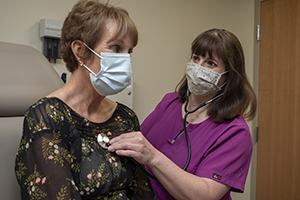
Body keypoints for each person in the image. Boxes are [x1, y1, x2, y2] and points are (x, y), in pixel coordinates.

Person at [14, 0, 157, 199]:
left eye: (129, 52)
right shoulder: (46, 117)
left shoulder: (125, 117)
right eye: (116, 48)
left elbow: (142, 193)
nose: (126, 60)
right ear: (80, 51)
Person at [107, 28, 257, 200]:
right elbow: (137, 143)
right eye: (196, 58)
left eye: (210, 63)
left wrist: (153, 157)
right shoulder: (170, 102)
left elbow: (205, 195)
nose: (198, 67)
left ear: (229, 76)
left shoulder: (234, 132)